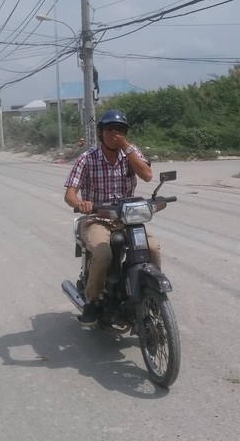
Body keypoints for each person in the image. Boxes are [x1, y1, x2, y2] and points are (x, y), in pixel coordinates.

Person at [63, 109, 160, 326]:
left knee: (152, 248)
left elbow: (147, 175)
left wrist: (127, 147)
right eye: (109, 130)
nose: (114, 134)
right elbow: (69, 194)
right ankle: (93, 301)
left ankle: (151, 295)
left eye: (119, 130)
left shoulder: (130, 153)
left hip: (128, 219)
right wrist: (80, 203)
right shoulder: (87, 159)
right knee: (103, 252)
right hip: (98, 219)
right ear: (100, 133)